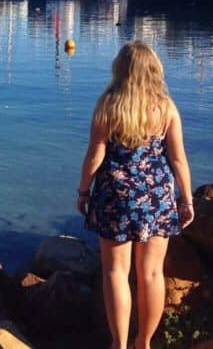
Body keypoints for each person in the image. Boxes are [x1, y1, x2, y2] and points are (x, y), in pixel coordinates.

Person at [76, 40, 194, 349]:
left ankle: (119, 343)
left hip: (115, 197)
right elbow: (178, 159)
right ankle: (144, 342)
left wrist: (83, 191)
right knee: (152, 273)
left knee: (116, 272)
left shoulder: (109, 104)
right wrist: (187, 199)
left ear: (120, 70)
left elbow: (94, 156)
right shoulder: (165, 107)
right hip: (156, 196)